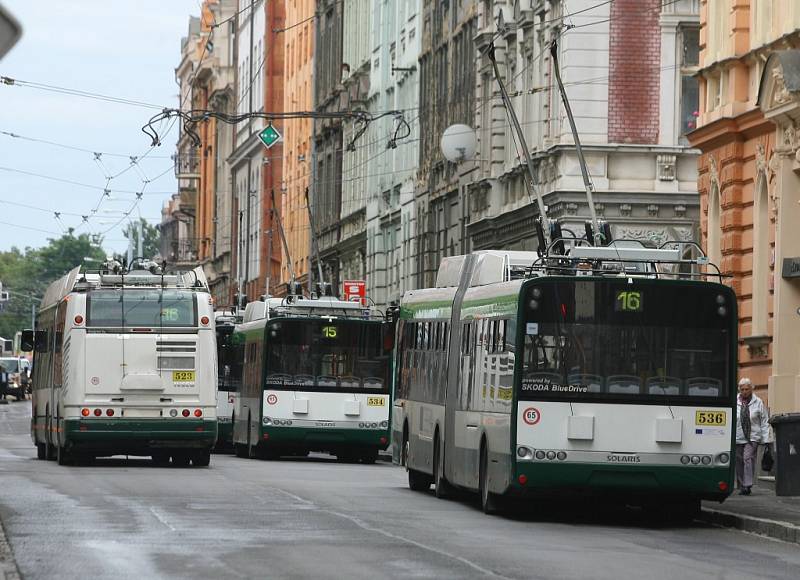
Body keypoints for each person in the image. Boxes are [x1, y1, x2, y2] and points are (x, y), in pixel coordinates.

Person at [735, 377, 771, 495]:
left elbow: (764, 421)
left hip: (753, 437)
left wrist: (766, 439)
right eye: (742, 389)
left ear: (751, 389)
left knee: (748, 458)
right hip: (738, 436)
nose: (744, 391)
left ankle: (747, 485)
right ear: (739, 390)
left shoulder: (758, 402)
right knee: (739, 460)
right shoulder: (735, 402)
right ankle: (741, 484)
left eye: (747, 389)